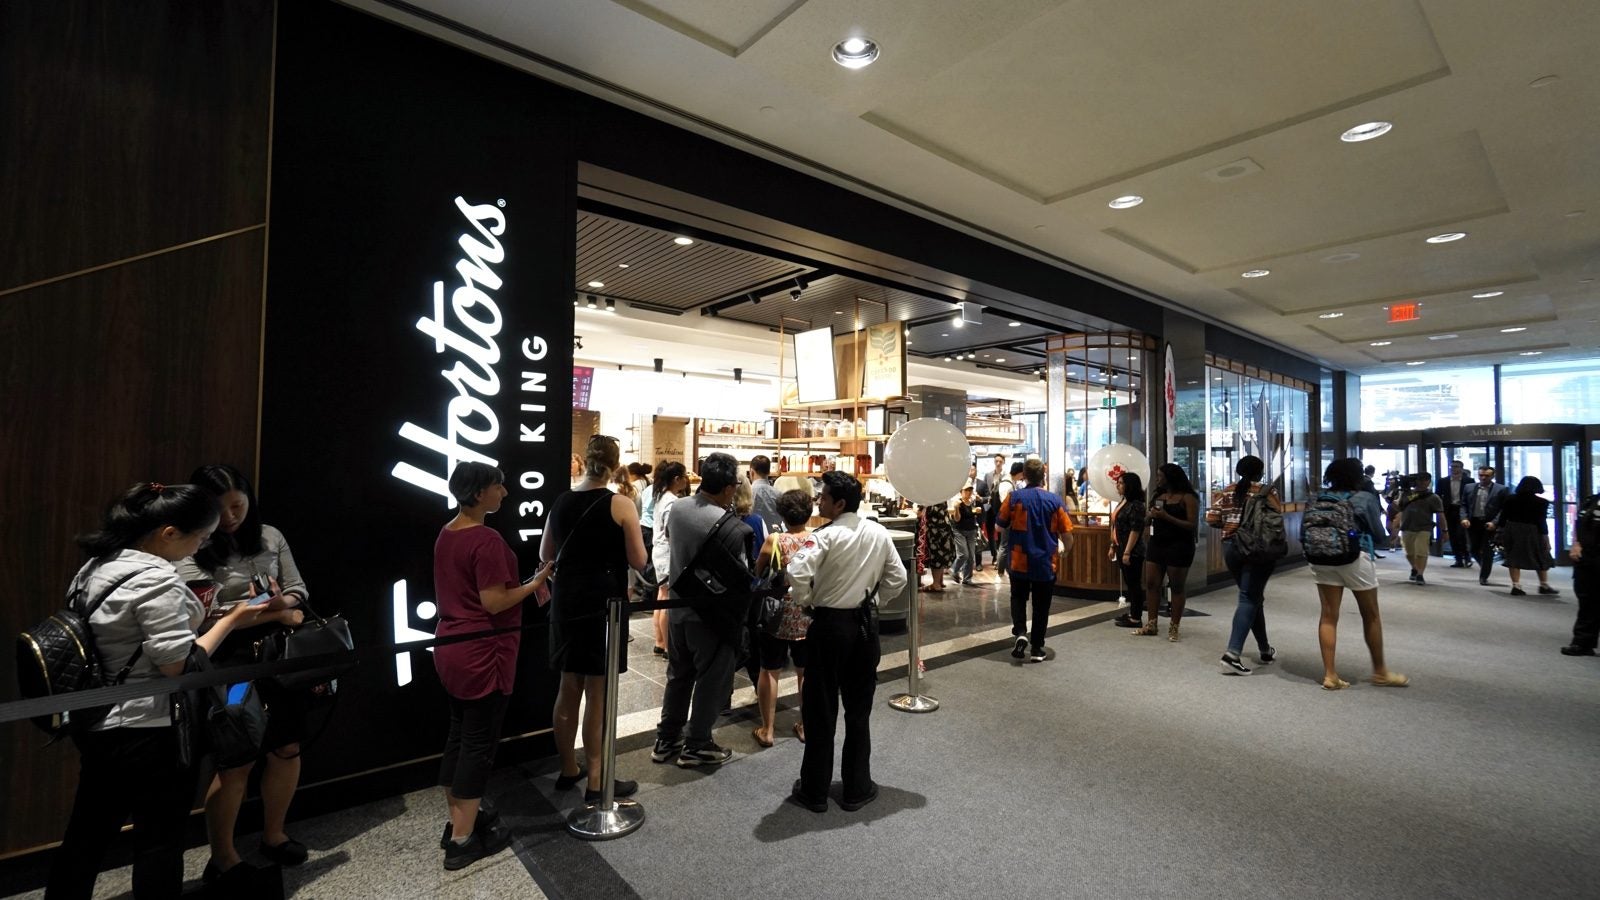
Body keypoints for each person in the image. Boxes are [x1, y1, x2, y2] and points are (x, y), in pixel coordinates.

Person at [47, 483, 261, 900]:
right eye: (199, 538)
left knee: (86, 836)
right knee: (159, 839)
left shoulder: (96, 567)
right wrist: (232, 619)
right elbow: (177, 665)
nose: (200, 546)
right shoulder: (156, 579)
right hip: (150, 727)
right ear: (168, 533)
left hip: (99, 721)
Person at [175, 464, 314, 879]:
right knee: (235, 759)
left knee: (287, 747)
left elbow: (299, 590)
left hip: (278, 655)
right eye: (220, 510)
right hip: (227, 661)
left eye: (237, 505)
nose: (231, 516)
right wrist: (279, 612)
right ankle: (223, 857)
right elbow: (202, 620)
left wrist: (281, 605)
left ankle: (274, 834)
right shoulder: (191, 544)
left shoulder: (270, 535)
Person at [435, 462, 552, 870]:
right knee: (478, 745)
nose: (504, 492)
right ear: (479, 492)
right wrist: (535, 585)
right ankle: (463, 839)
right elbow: (494, 602)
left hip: (451, 646)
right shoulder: (485, 541)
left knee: (459, 736)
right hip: (482, 652)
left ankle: (458, 820)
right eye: (498, 486)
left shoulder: (448, 532)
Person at [786, 472, 907, 812]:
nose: (818, 501)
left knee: (820, 707)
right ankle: (856, 787)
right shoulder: (878, 533)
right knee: (859, 708)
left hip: (828, 626)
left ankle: (814, 790)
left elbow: (795, 572)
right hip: (865, 626)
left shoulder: (824, 536)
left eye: (823, 497)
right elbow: (898, 577)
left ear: (839, 503)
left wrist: (807, 600)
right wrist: (873, 599)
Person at [543, 435, 647, 804]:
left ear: (585, 462)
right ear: (616, 465)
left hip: (567, 601)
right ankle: (598, 780)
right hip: (605, 603)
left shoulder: (561, 500)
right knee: (598, 693)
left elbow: (546, 553)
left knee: (567, 686)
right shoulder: (620, 504)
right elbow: (638, 560)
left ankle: (568, 768)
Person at [653, 452, 752, 769]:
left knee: (678, 676)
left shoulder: (678, 509)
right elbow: (740, 577)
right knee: (712, 680)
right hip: (710, 617)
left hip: (678, 609)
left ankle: (666, 740)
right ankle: (697, 744)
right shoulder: (731, 527)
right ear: (727, 488)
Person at [1310, 458, 1408, 691]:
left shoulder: (1317, 498)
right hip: (1355, 558)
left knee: (1328, 616)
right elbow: (1378, 533)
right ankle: (1380, 672)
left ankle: (1330, 675)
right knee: (1371, 615)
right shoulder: (1364, 498)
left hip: (1321, 558)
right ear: (1357, 476)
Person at [751, 489, 815, 748]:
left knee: (769, 670)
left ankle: (767, 730)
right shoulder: (817, 538)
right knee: (805, 670)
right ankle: (806, 726)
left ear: (782, 514)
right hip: (808, 611)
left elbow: (758, 570)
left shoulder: (774, 541)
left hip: (777, 613)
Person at [1204, 457, 1279, 674]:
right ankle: (1232, 654)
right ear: (1261, 472)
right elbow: (1276, 518)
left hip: (1232, 548)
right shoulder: (1267, 491)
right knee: (1249, 597)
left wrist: (1230, 524)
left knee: (1253, 598)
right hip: (1258, 549)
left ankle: (1265, 650)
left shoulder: (1227, 491)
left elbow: (1211, 519)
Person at [998, 458, 1073, 662]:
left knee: (1018, 597)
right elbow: (1067, 534)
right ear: (1043, 476)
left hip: (1018, 559)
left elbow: (999, 526)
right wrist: (1066, 550)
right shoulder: (1055, 501)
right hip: (1045, 561)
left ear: (1024, 475)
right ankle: (1037, 647)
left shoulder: (1013, 498)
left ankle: (1021, 631)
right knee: (1041, 605)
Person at [1139, 463, 1198, 641]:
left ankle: (1174, 627)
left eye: (1159, 475)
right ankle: (1151, 623)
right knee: (1151, 583)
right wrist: (1149, 517)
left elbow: (1191, 525)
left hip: (1180, 545)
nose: (1157, 479)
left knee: (1177, 586)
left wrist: (1167, 517)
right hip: (1157, 543)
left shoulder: (1188, 498)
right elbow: (1148, 521)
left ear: (1170, 477)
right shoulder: (1158, 495)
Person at [647, 462, 689, 657]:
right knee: (667, 599)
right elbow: (671, 531)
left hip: (659, 552)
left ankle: (659, 641)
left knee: (661, 596)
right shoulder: (672, 501)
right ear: (676, 479)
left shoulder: (661, 496)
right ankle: (668, 647)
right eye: (684, 476)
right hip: (667, 553)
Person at [1495, 476, 1559, 596]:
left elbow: (1503, 517)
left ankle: (1516, 585)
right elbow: (1542, 522)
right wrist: (1546, 538)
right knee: (1540, 555)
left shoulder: (1510, 499)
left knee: (1514, 557)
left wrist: (1500, 531)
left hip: (1512, 529)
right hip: (1532, 531)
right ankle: (1543, 584)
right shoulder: (1542, 503)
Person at [1561, 489, 1600, 656]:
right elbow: (1579, 523)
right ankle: (1583, 642)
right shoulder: (1592, 500)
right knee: (1586, 600)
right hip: (1587, 559)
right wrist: (1576, 544)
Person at [1462, 465, 1511, 586]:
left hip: (1489, 523)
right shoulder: (1469, 487)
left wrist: (1495, 523)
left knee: (1488, 551)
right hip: (1473, 522)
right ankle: (1485, 565)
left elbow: (1504, 509)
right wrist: (1463, 518)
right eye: (1481, 475)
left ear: (1492, 476)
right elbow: (1463, 504)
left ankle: (1483, 576)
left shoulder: (1501, 489)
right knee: (1473, 549)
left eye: (1486, 476)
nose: (1483, 478)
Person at [1110, 472, 1147, 628]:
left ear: (1129, 486)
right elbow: (1116, 526)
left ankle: (1136, 617)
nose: (1117, 485)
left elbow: (1135, 530)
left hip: (1132, 550)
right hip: (1120, 546)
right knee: (1129, 582)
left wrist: (1127, 551)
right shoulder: (1124, 501)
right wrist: (1113, 545)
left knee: (1134, 583)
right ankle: (1133, 613)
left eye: (1121, 483)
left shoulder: (1136, 505)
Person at [1397, 472, 1444, 586]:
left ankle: (1420, 574)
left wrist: (1444, 530)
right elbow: (1399, 507)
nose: (1422, 483)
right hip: (1407, 526)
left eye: (1425, 480)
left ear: (1429, 481)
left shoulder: (1433, 497)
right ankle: (1414, 568)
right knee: (1409, 553)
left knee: (1421, 552)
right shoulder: (1406, 494)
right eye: (1420, 480)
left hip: (1424, 527)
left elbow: (1440, 515)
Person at [1437, 460, 1472, 567]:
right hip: (1449, 510)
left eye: (1456, 467)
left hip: (1463, 510)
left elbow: (1472, 497)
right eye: (1451, 467)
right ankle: (1458, 559)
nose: (1453, 469)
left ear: (1461, 468)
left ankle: (1466, 556)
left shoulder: (1469, 481)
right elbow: (1437, 495)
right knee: (1452, 535)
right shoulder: (1443, 481)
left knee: (1461, 534)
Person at [919, 499, 956, 592]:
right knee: (942, 556)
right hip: (945, 530)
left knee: (936, 557)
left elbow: (921, 514)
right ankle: (940, 581)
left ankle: (936, 584)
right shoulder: (942, 496)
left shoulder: (930, 499)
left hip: (935, 532)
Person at [993, 461, 1021, 581]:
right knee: (1004, 544)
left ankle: (1003, 570)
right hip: (1006, 519)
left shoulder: (1010, 482)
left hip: (1007, 518)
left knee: (1005, 544)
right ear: (1019, 472)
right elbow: (1006, 503)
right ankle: (1000, 571)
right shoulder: (1007, 484)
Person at [950, 485, 982, 585]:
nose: (969, 492)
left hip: (971, 531)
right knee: (964, 554)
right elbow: (957, 519)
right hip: (959, 531)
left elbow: (973, 515)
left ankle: (967, 578)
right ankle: (954, 570)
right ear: (961, 491)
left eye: (970, 490)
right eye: (966, 490)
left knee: (971, 556)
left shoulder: (972, 501)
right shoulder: (958, 502)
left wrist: (977, 511)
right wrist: (956, 508)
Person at [980, 453, 1007, 567]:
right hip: (989, 507)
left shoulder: (1006, 476)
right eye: (996, 461)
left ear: (1003, 462)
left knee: (1001, 531)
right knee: (990, 532)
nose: (998, 463)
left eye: (1000, 461)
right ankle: (994, 555)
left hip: (1001, 507)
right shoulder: (988, 475)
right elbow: (986, 490)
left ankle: (1000, 557)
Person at [749, 454, 782, 532]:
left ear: (752, 472)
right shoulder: (779, 494)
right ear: (769, 472)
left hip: (752, 538)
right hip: (774, 538)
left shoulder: (746, 494)